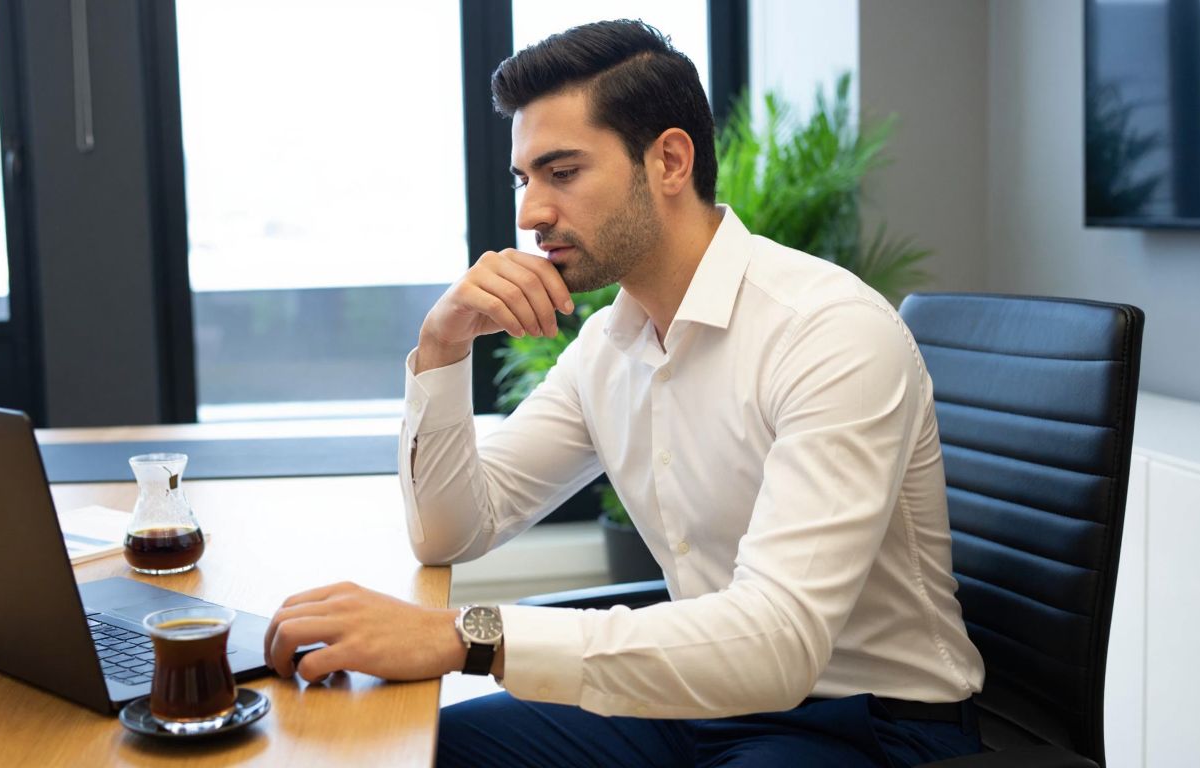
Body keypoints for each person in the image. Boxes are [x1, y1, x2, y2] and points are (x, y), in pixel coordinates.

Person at [264, 19, 985, 767]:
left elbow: (779, 643)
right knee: (420, 751)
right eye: (524, 179)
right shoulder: (608, 345)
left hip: (871, 723)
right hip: (697, 701)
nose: (529, 213)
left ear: (670, 160)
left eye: (563, 172)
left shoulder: (827, 333)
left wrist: (463, 636)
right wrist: (442, 349)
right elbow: (452, 531)